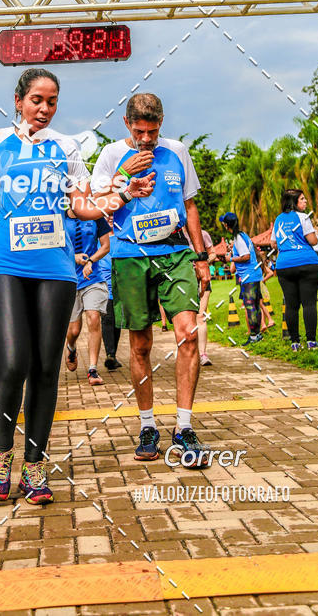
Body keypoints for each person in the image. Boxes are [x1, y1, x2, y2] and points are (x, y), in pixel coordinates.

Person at [0, 68, 155, 504]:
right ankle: (1, 456)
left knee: (46, 370)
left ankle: (34, 467)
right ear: (18, 101)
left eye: (52, 101)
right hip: (6, 268)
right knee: (11, 365)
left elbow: (84, 206)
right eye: (36, 100)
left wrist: (126, 193)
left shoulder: (66, 148)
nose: (44, 108)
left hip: (56, 270)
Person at [91, 93, 211, 467]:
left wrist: (201, 257)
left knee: (188, 333)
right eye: (139, 131)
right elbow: (96, 205)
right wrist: (124, 175)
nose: (146, 139)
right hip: (130, 255)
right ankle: (147, 426)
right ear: (127, 123)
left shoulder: (177, 151)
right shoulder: (111, 154)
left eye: (153, 131)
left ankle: (184, 427)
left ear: (161, 124)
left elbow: (189, 204)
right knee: (140, 344)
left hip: (174, 252)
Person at [64, 208, 111, 385]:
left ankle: (92, 369)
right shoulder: (59, 217)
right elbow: (54, 248)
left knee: (93, 317)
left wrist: (91, 261)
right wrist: (73, 256)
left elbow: (105, 246)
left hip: (93, 278)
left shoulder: (95, 216)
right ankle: (71, 347)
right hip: (69, 279)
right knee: (74, 330)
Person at [271, 189, 318, 351]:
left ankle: (295, 342)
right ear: (294, 202)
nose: (305, 201)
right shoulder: (303, 217)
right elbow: (313, 241)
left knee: (291, 305)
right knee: (309, 304)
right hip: (307, 262)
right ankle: (311, 341)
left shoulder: (278, 219)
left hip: (284, 265)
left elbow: (273, 243)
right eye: (302, 199)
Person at [219, 213, 264, 345]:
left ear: (226, 225)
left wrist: (230, 259)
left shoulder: (238, 238)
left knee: (250, 306)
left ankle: (254, 336)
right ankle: (258, 334)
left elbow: (246, 256)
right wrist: (233, 250)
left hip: (248, 276)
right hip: (254, 274)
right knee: (255, 305)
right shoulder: (242, 235)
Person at [184, 227, 216, 366]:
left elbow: (213, 253)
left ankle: (202, 354)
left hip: (202, 279)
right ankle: (187, 352)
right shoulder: (177, 235)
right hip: (184, 280)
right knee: (186, 318)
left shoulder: (203, 234)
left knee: (200, 316)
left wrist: (203, 262)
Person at [98, 215, 123, 371]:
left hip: (120, 283)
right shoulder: (99, 238)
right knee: (107, 319)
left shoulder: (121, 237)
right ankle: (110, 354)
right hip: (104, 284)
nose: (110, 218)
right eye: (107, 215)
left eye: (113, 215)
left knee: (117, 321)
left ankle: (113, 354)